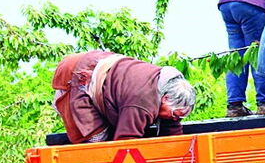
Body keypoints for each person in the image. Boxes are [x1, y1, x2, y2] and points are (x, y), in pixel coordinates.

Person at [51, 50, 196, 143]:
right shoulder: (142, 102)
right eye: (175, 115)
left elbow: (172, 131)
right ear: (165, 98)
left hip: (102, 68)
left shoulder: (167, 85)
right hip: (78, 77)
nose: (175, 119)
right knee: (97, 141)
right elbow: (126, 141)